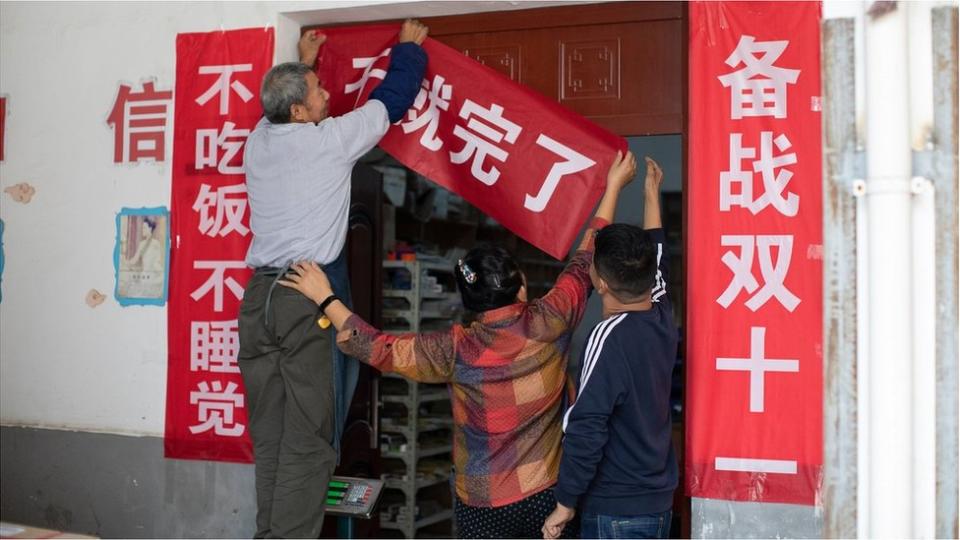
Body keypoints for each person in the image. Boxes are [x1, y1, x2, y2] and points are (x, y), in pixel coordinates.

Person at [277, 151, 638, 539]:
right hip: (545, 493)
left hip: (480, 503)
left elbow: (377, 347)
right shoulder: (552, 319)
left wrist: (326, 297)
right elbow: (584, 263)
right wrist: (612, 186)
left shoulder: (455, 349)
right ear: (522, 288)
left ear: (468, 303)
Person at [237, 20, 428, 539]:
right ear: (299, 111)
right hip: (305, 295)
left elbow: (277, 107)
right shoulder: (331, 142)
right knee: (309, 439)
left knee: (272, 436)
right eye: (319, 93)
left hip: (259, 301)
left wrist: (307, 60)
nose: (328, 98)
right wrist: (409, 49)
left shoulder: (259, 142)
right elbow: (392, 99)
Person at [541, 157, 678, 540]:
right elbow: (660, 259)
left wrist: (565, 503)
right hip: (656, 502)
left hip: (616, 507)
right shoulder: (661, 314)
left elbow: (587, 427)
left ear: (599, 282)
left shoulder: (607, 337)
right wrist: (651, 193)